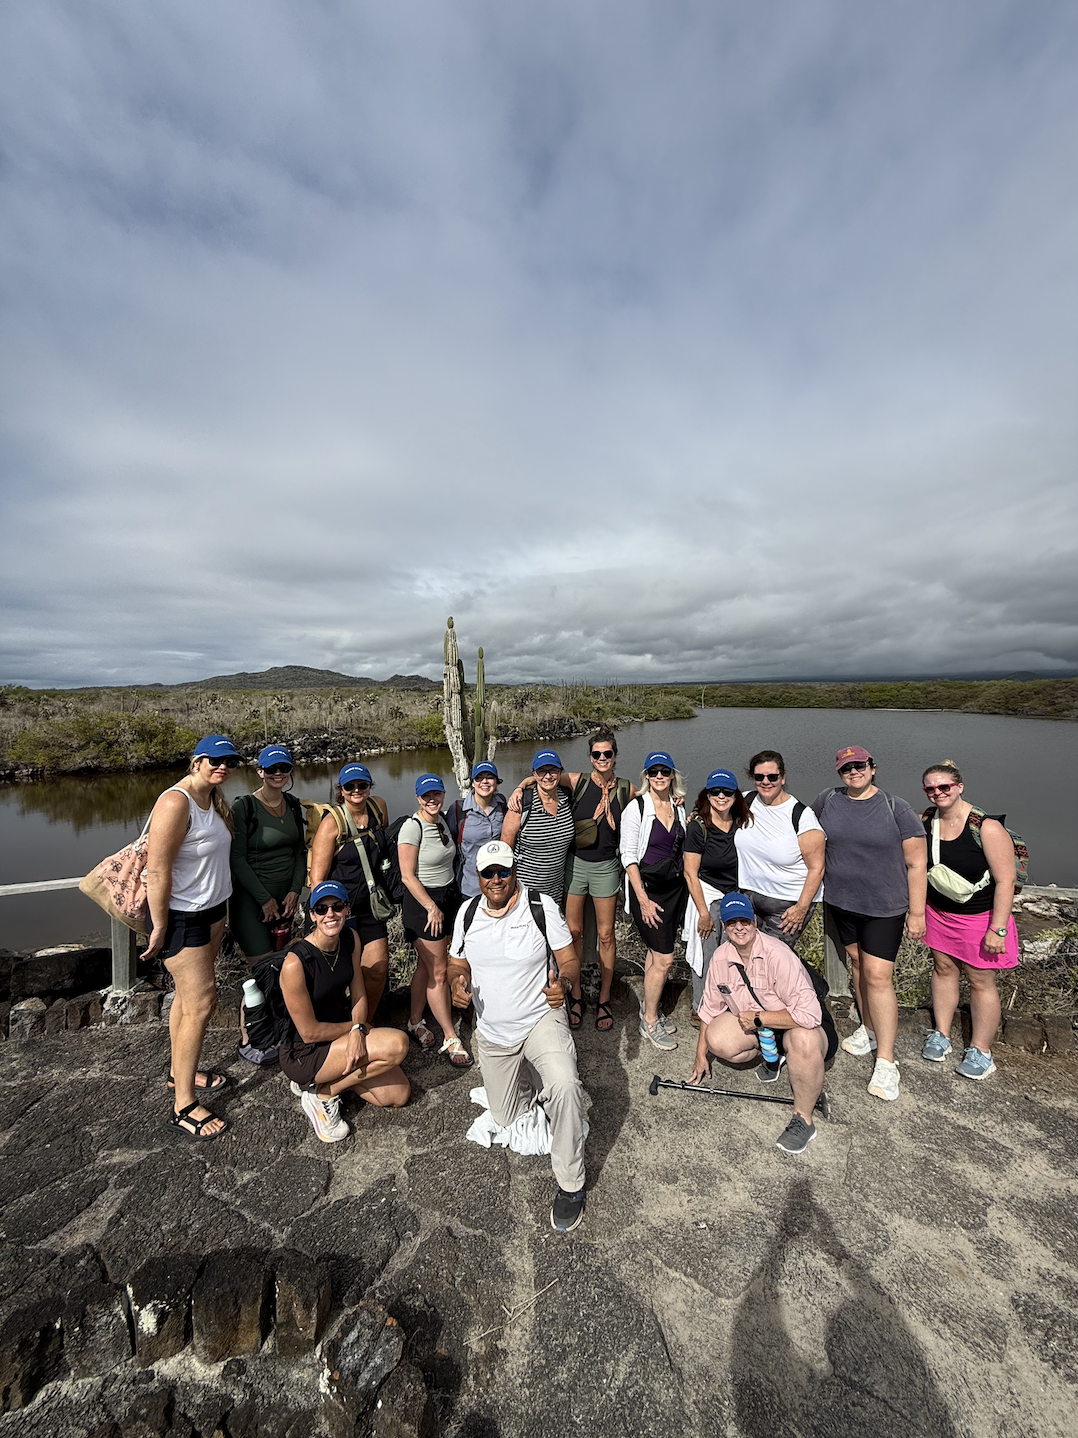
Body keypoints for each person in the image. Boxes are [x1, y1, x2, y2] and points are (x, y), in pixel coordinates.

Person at [447, 841, 586, 1233]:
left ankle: (571, 1184)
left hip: (541, 1019)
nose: (496, 880)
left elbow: (569, 959)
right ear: (478, 877)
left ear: (514, 872)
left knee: (565, 1086)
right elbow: (457, 961)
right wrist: (459, 982)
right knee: (507, 1116)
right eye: (488, 873)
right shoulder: (468, 912)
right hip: (494, 1034)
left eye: (502, 872)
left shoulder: (539, 906)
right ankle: (534, 1081)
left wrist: (567, 983)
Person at [812, 746, 927, 1103]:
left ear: (873, 768)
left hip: (884, 907)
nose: (854, 772)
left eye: (860, 766)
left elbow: (916, 863)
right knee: (858, 966)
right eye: (847, 768)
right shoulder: (827, 800)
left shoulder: (897, 808)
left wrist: (918, 913)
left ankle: (887, 1061)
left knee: (878, 977)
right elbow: (802, 832)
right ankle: (868, 1027)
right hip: (842, 904)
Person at [508, 728, 636, 1033]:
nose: (602, 758)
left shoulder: (626, 789)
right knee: (573, 932)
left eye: (607, 754)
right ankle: (575, 994)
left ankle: (604, 998)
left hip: (606, 867)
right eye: (596, 754)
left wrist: (682, 804)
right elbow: (542, 777)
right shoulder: (577, 782)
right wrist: (519, 786)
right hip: (576, 865)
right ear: (590, 757)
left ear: (615, 756)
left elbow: (654, 799)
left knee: (606, 935)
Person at [688, 893, 837, 1154]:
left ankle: (803, 1119)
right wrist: (700, 1055)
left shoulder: (778, 954)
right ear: (724, 926)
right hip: (764, 1029)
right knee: (717, 1038)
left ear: (754, 922)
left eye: (744, 921)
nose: (739, 928)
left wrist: (760, 1018)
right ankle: (772, 1057)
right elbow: (709, 1010)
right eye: (731, 922)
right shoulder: (721, 958)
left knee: (802, 1040)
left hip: (802, 1025)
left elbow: (810, 1014)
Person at [144, 734, 238, 1140]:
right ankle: (183, 1104)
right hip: (183, 918)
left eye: (228, 761)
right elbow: (158, 870)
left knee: (186, 999)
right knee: (202, 1003)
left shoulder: (213, 800)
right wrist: (160, 924)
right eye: (214, 760)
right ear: (196, 761)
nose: (222, 767)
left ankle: (178, 1072)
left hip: (214, 911)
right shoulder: (174, 802)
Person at [279, 880, 409, 1142]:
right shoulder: (295, 962)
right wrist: (356, 1030)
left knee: (397, 1095)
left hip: (340, 1034)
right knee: (397, 1044)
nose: (331, 914)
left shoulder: (350, 938)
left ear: (347, 910)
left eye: (337, 906)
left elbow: (359, 994)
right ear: (312, 915)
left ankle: (325, 1087)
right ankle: (319, 1096)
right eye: (322, 909)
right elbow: (309, 1032)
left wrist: (358, 1030)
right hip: (305, 1052)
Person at [919, 761, 1018, 1081]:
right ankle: (942, 1034)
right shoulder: (927, 820)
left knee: (980, 982)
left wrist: (998, 928)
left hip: (980, 917)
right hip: (939, 913)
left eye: (944, 787)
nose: (938, 793)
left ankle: (981, 1050)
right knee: (943, 970)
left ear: (959, 787)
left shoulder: (986, 827)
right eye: (931, 789)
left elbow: (1006, 880)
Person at [398, 773, 471, 1067]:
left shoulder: (441, 820)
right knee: (439, 972)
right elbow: (406, 875)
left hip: (446, 898)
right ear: (417, 798)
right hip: (423, 905)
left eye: (436, 794)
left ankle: (415, 1021)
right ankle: (451, 1036)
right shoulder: (411, 828)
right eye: (426, 796)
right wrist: (430, 907)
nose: (432, 800)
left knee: (425, 967)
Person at [310, 763, 392, 1018]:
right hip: (338, 910)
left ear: (369, 786)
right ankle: (334, 1025)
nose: (356, 790)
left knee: (376, 969)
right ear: (341, 790)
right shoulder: (331, 824)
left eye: (362, 785)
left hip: (370, 906)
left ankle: (365, 1023)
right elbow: (317, 878)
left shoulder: (378, 808)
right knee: (334, 975)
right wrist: (322, 915)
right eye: (350, 786)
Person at [619, 750, 688, 1051]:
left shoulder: (677, 807)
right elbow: (628, 857)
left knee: (653, 953)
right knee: (664, 958)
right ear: (646, 776)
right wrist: (643, 900)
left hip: (674, 891)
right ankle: (648, 1021)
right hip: (647, 890)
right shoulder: (636, 809)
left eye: (664, 771)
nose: (659, 776)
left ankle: (651, 1007)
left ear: (673, 775)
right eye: (653, 772)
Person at [733, 750, 825, 950]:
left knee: (772, 959)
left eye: (772, 777)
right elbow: (712, 807)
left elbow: (816, 869)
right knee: (746, 956)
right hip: (749, 895)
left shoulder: (801, 816)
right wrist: (693, 812)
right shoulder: (744, 802)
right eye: (759, 777)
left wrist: (801, 908)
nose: (766, 782)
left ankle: (811, 983)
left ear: (782, 778)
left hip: (786, 905)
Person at [229, 745, 307, 959]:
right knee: (263, 969)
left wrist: (295, 890)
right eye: (272, 769)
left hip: (286, 902)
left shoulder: (292, 804)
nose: (278, 773)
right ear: (260, 771)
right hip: (251, 902)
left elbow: (299, 850)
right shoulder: (244, 807)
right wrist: (264, 899)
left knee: (284, 964)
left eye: (284, 767)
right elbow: (236, 859)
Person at [683, 768, 748, 1015]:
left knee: (731, 957)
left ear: (735, 795)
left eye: (727, 792)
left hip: (734, 898)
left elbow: (766, 794)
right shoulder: (698, 826)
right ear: (707, 794)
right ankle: (701, 1009)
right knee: (707, 958)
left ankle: (726, 1007)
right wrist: (703, 913)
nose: (721, 796)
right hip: (708, 898)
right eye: (715, 791)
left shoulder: (741, 821)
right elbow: (690, 872)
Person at [501, 748, 577, 912]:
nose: (548, 776)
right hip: (524, 894)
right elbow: (504, 851)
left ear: (560, 772)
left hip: (556, 894)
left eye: (553, 771)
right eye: (541, 771)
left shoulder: (567, 798)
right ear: (534, 774)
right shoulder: (521, 804)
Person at [445, 761, 508, 901]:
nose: (484, 781)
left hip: (499, 885)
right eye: (479, 778)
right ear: (473, 783)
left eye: (490, 777)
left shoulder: (503, 806)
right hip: (470, 887)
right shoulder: (458, 810)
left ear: (496, 782)